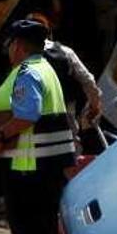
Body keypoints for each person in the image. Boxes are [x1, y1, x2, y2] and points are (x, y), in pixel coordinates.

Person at [0, 19, 76, 234]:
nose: (8, 49)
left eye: (10, 44)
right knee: (45, 228)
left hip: (29, 167)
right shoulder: (46, 69)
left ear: (19, 46)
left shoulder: (27, 72)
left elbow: (26, 115)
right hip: (47, 165)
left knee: (29, 230)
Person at [26, 12, 102, 143]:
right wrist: (94, 106)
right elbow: (88, 82)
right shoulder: (65, 53)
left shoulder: (20, 55)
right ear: (48, 32)